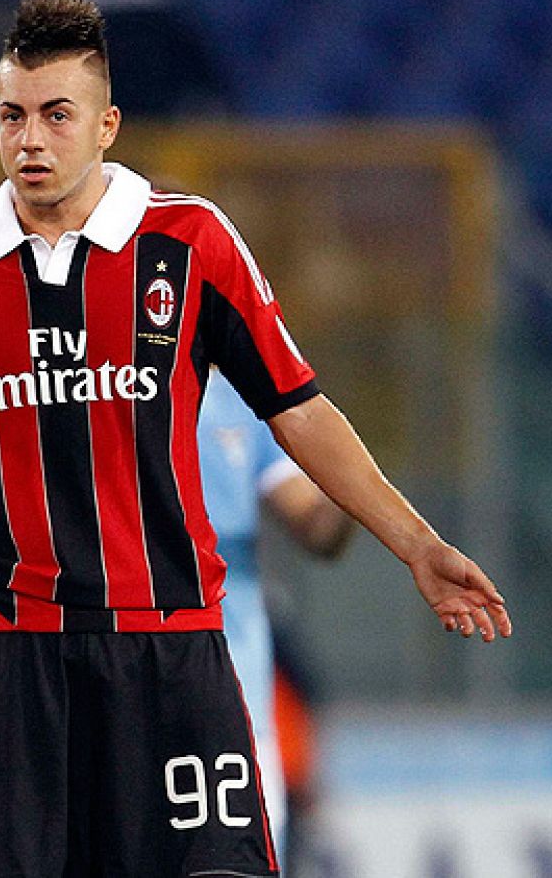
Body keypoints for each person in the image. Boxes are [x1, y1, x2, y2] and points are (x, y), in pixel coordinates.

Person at [0, 0, 510, 876]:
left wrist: (416, 543)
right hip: (19, 657)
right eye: (11, 116)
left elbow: (299, 408)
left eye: (56, 115)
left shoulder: (190, 243)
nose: (30, 139)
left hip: (173, 639)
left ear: (106, 125)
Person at [198, 368, 353, 866]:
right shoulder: (102, 387)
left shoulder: (239, 401)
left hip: (240, 695)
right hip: (130, 681)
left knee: (246, 862)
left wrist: (354, 480)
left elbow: (318, 529)